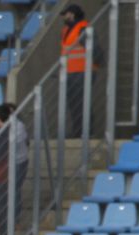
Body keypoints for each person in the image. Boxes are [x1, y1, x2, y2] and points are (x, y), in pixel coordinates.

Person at [60, 4, 90, 136]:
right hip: (70, 71)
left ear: (72, 14)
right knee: (74, 104)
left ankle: (85, 131)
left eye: (66, 14)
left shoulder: (83, 28)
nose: (64, 17)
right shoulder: (66, 30)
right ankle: (78, 131)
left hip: (82, 70)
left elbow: (92, 48)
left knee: (81, 103)